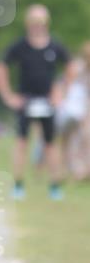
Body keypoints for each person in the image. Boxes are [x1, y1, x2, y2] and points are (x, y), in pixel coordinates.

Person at [0, 4, 71, 200]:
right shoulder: (20, 46)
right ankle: (18, 185)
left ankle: (55, 186)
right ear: (28, 23)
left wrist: (61, 92)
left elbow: (70, 67)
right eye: (33, 21)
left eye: (40, 21)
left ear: (46, 23)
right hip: (25, 101)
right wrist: (7, 94)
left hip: (47, 102)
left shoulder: (55, 46)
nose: (37, 25)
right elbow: (0, 65)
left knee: (50, 144)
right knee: (21, 143)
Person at [57, 41, 90, 181]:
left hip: (83, 108)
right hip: (71, 108)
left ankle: (83, 170)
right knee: (68, 140)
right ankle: (67, 170)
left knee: (84, 138)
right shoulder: (76, 68)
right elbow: (63, 85)